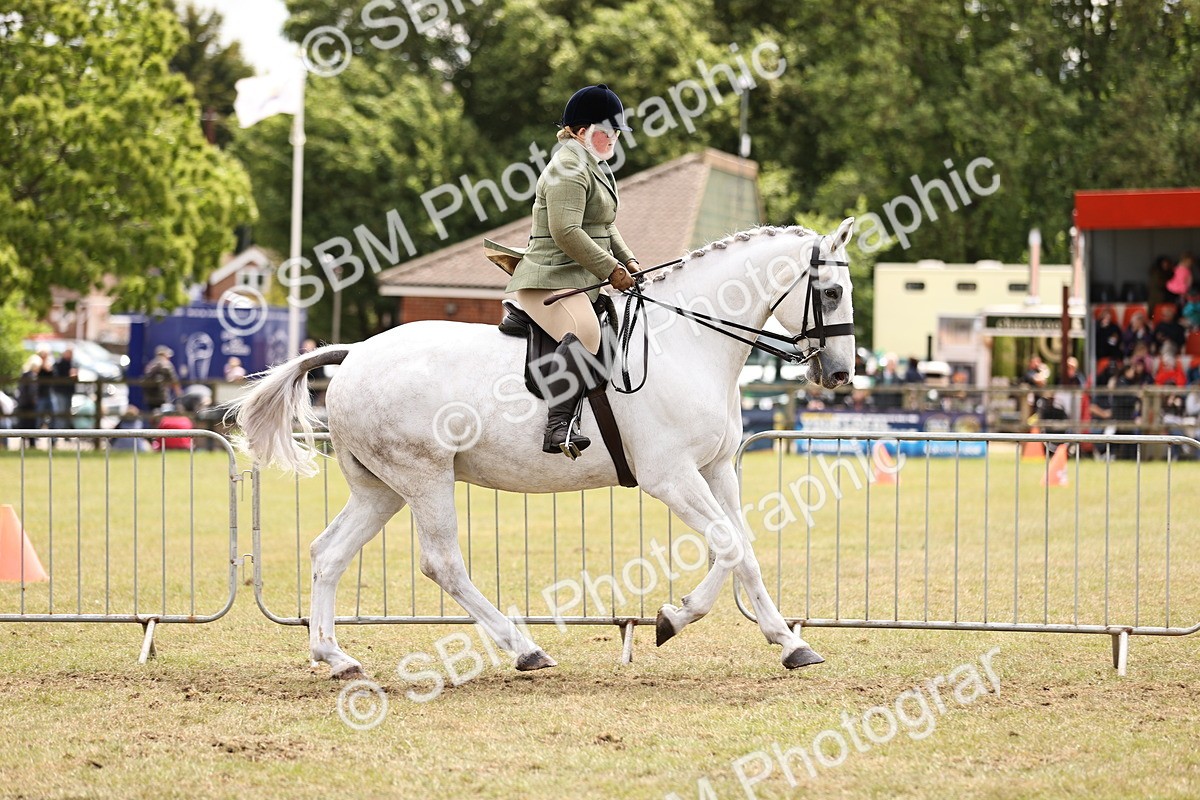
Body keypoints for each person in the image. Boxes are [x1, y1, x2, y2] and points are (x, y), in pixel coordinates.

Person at [504, 83, 640, 457]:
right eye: (607, 131)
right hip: (548, 279)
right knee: (586, 332)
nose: (614, 138)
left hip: (576, 280)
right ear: (581, 131)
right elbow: (566, 231)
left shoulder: (595, 166)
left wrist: (628, 260)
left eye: (616, 132)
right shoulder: (567, 168)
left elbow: (604, 225)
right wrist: (611, 269)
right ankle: (557, 427)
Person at [143, 345, 182, 415]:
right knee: (163, 417)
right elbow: (174, 382)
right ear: (164, 355)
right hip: (162, 398)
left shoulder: (151, 364)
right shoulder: (166, 364)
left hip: (150, 398)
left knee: (153, 416)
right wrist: (180, 396)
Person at [51, 347, 77, 429]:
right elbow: (56, 378)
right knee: (61, 412)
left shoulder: (73, 363)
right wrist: (69, 377)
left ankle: (66, 431)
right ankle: (59, 431)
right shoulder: (59, 363)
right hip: (60, 391)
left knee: (67, 412)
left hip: (69, 391)